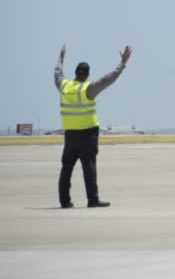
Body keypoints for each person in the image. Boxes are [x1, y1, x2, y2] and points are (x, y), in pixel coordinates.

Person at [54, 44, 133, 208]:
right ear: (87, 75)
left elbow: (57, 74)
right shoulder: (88, 89)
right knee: (89, 167)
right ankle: (93, 199)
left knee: (66, 168)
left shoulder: (65, 86)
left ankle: (64, 200)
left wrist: (61, 58)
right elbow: (109, 79)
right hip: (87, 135)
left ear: (76, 73)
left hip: (70, 135)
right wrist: (122, 63)